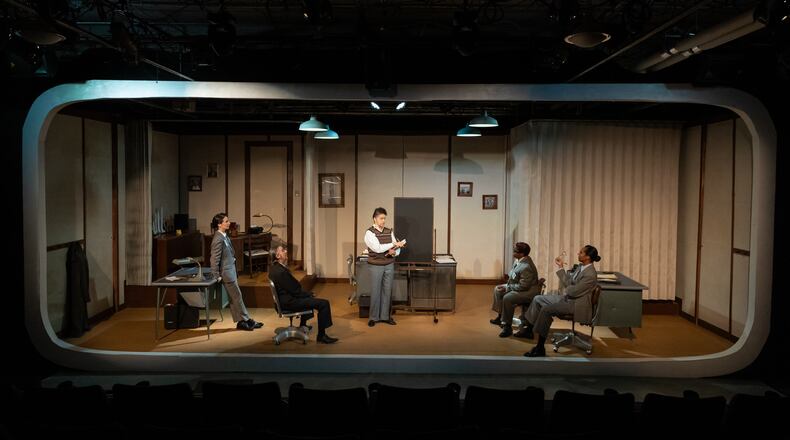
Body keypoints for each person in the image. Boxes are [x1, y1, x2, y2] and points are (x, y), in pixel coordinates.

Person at [522, 245, 600, 357]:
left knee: (546, 310)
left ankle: (540, 347)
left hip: (576, 305)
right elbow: (569, 283)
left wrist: (567, 288)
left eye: (581, 252)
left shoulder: (590, 274)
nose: (578, 253)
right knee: (537, 298)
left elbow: (572, 291)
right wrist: (561, 267)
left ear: (588, 257)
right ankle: (529, 329)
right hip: (568, 298)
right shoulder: (581, 267)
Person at [269, 244, 338, 344]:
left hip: (285, 300)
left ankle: (303, 325)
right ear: (277, 255)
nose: (286, 251)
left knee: (309, 298)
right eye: (283, 250)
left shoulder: (275, 269)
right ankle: (321, 336)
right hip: (289, 302)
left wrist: (307, 294)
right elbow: (295, 290)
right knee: (323, 304)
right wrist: (308, 294)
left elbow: (293, 288)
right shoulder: (280, 272)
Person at [210, 212, 262, 331]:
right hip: (227, 273)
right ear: (219, 224)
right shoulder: (217, 239)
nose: (229, 223)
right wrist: (216, 275)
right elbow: (214, 259)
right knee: (237, 296)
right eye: (226, 221)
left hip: (231, 271)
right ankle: (247, 320)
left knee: (234, 298)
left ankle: (241, 322)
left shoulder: (224, 236)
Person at [364, 207, 406, 327]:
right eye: (381, 218)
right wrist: (392, 244)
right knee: (376, 291)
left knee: (387, 291)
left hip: (389, 264)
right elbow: (377, 248)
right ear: (374, 219)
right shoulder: (369, 233)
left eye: (384, 218)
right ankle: (373, 317)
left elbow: (395, 248)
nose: (383, 221)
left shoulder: (389, 231)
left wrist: (395, 251)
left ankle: (385, 316)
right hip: (376, 265)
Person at [490, 242, 542, 338]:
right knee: (497, 289)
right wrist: (507, 286)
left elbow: (524, 286)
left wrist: (508, 287)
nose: (513, 252)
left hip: (528, 292)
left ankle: (507, 326)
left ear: (522, 254)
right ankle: (500, 317)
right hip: (518, 286)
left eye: (515, 251)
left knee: (508, 298)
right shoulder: (519, 260)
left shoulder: (526, 266)